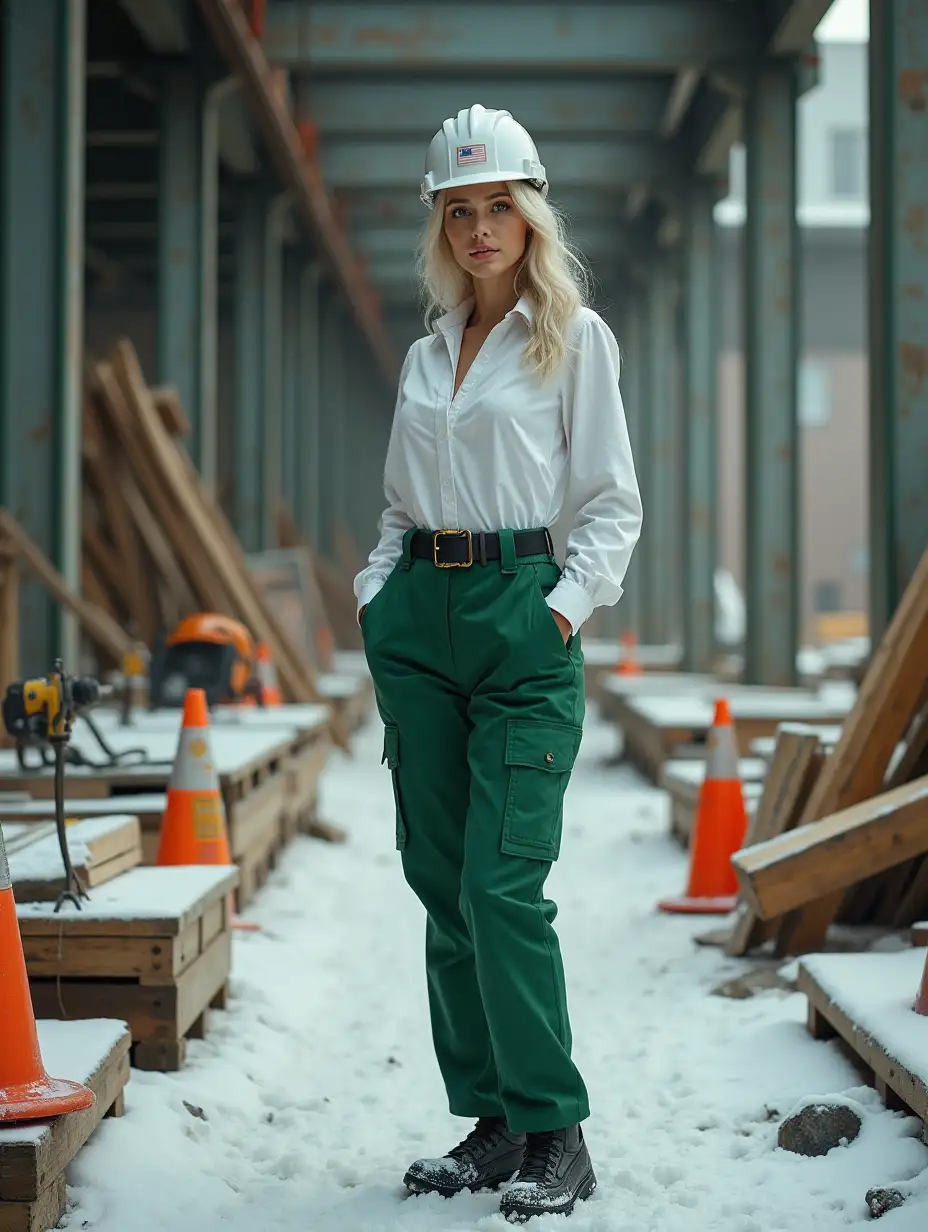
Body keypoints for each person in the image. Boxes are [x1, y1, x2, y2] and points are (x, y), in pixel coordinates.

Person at [353, 105, 642, 1223]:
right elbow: (393, 502)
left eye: (498, 208)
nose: (479, 228)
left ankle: (556, 1127)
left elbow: (612, 503)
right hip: (419, 615)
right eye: (458, 210)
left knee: (500, 882)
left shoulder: (574, 339)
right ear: (441, 224)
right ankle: (492, 1121)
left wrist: (560, 612)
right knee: (440, 880)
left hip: (521, 610)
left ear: (530, 215)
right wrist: (380, 595)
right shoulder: (429, 355)